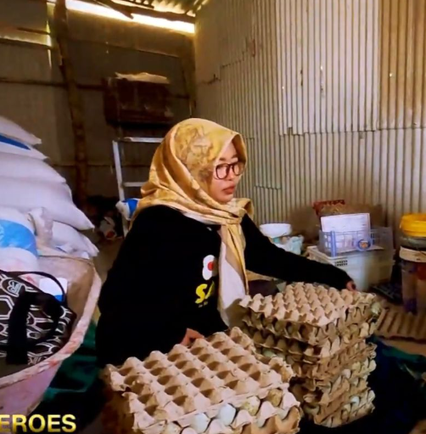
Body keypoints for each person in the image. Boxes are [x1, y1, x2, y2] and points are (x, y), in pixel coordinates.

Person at [96, 118, 354, 366]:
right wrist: (170, 334)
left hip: (201, 323)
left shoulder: (227, 216)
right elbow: (115, 303)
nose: (232, 176)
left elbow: (268, 257)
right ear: (190, 171)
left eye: (235, 165)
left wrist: (333, 275)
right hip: (149, 337)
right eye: (220, 167)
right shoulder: (159, 223)